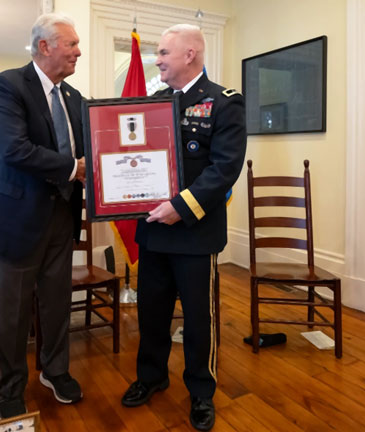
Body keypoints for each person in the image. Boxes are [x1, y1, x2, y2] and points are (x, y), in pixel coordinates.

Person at [120, 24, 247, 431]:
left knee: (198, 318)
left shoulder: (224, 103)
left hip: (195, 231)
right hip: (154, 231)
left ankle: (201, 392)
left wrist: (180, 207)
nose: (156, 60)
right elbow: (131, 155)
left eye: (162, 53)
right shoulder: (153, 102)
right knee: (151, 312)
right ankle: (152, 376)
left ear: (189, 54)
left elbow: (224, 168)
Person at [0, 13, 85, 419]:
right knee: (14, 312)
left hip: (61, 215)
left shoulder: (75, 98)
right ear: (44, 47)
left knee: (56, 303)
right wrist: (73, 168)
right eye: (71, 44)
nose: (78, 51)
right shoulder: (8, 85)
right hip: (15, 218)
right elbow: (14, 149)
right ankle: (11, 385)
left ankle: (55, 371)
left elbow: (97, 150)